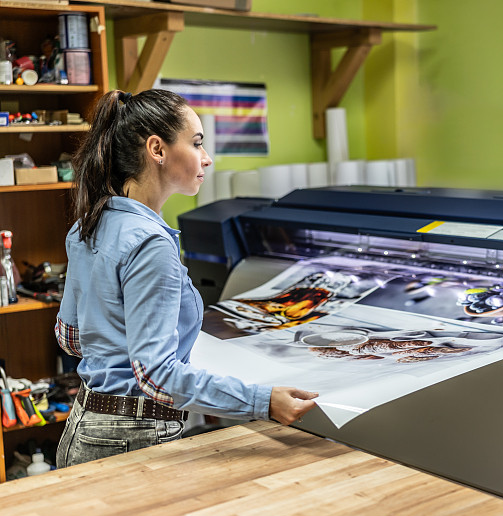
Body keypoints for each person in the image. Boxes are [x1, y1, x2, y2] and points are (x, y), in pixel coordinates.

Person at [55, 89, 318, 468]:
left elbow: (71, 338)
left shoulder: (90, 224)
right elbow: (157, 376)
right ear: (157, 149)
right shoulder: (150, 242)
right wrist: (265, 401)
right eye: (196, 143)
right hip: (131, 440)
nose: (206, 158)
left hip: (84, 427)